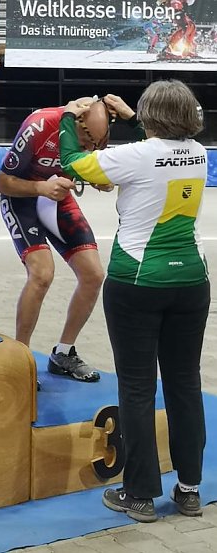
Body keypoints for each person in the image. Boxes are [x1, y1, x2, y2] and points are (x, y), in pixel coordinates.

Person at [60, 82, 209, 522]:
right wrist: (133, 118)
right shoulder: (198, 152)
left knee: (138, 386)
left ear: (149, 116)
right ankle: (189, 490)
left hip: (138, 282)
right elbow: (160, 149)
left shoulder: (138, 156)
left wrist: (71, 117)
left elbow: (76, 163)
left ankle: (140, 493)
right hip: (192, 282)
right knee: (185, 383)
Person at [0, 98, 113, 382]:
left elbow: (90, 166)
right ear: (76, 122)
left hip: (57, 198)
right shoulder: (40, 125)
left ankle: (63, 352)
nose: (89, 149)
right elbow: (1, 182)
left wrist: (100, 179)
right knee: (42, 274)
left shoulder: (94, 133)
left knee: (94, 275)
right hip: (21, 198)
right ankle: (20, 358)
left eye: (96, 144)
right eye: (85, 141)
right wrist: (40, 187)